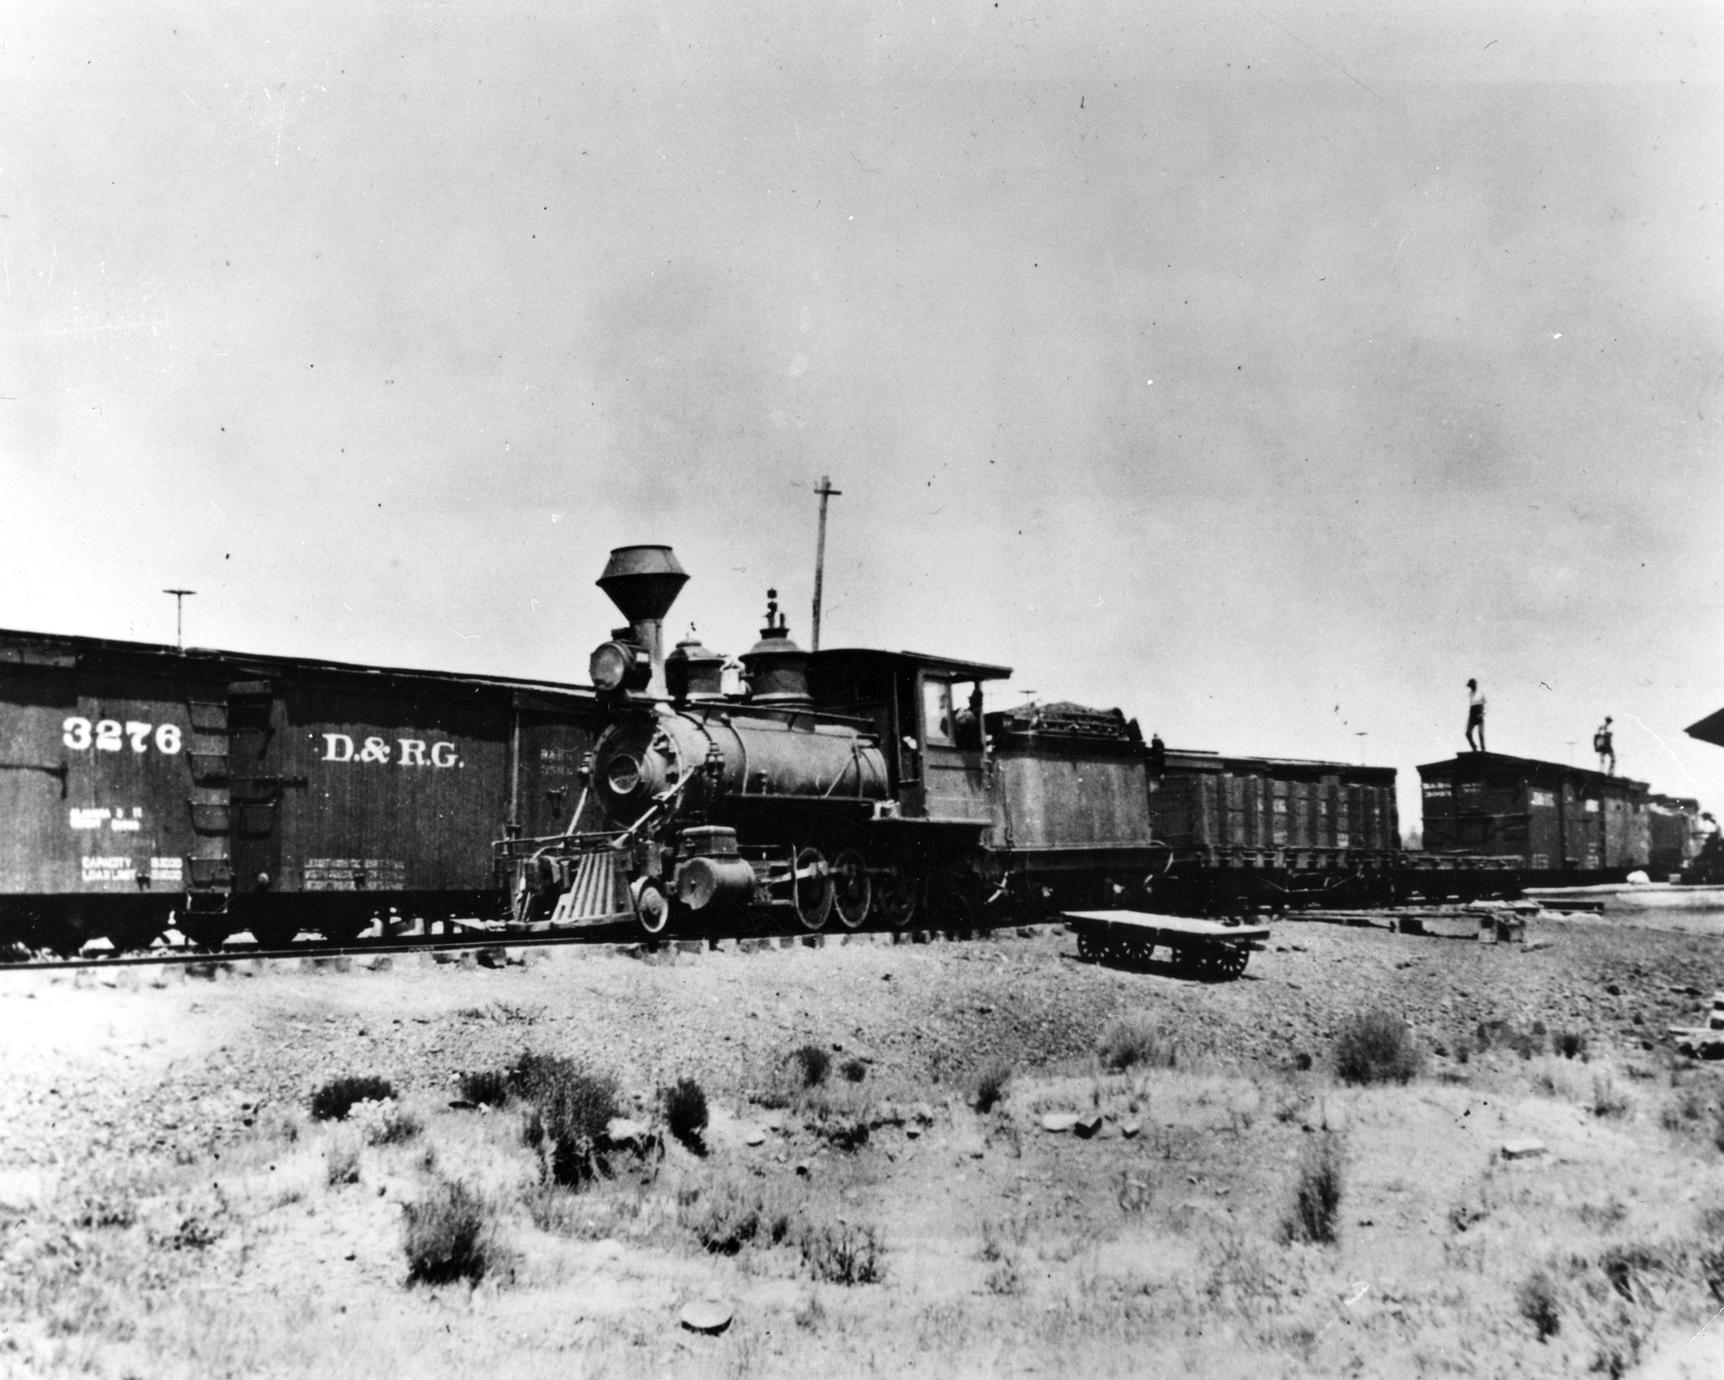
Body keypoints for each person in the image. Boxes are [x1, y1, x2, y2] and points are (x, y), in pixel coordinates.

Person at [1465, 678, 1486, 752]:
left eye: (1471, 685)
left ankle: (1483, 750)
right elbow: (1472, 704)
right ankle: (1474, 747)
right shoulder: (1470, 694)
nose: (1471, 687)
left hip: (1479, 714)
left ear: (1474, 685)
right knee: (1468, 733)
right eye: (1470, 686)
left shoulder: (1480, 693)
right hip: (1472, 715)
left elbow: (1486, 704)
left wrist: (1482, 714)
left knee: (1480, 733)